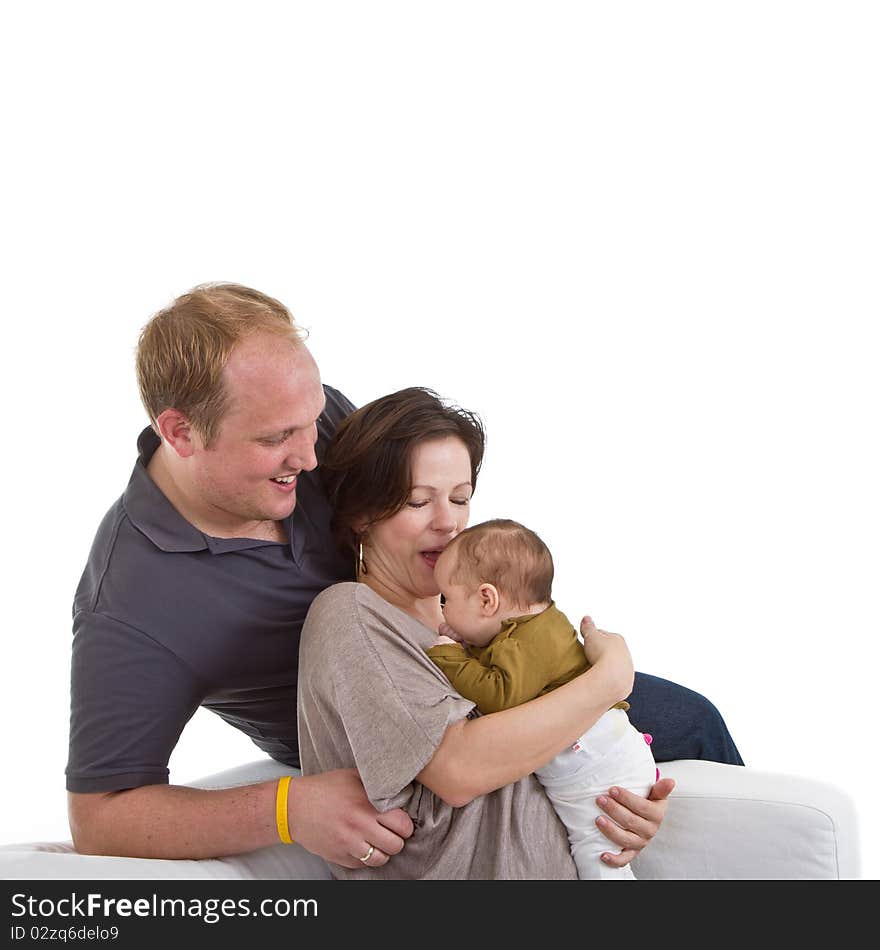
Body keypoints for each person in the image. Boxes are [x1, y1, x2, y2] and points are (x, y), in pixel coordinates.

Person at [67, 283, 682, 872]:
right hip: (396, 750)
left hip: (487, 684)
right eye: (277, 438)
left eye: (311, 419)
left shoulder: (314, 423)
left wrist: (608, 756)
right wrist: (286, 809)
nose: (312, 456)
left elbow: (432, 522)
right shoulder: (130, 602)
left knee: (683, 730)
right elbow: (99, 818)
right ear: (180, 432)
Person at [297, 387, 735, 877]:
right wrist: (609, 681)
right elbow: (459, 771)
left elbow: (544, 751)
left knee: (697, 722)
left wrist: (619, 800)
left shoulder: (472, 621)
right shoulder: (354, 614)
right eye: (418, 502)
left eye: (460, 498)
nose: (449, 523)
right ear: (361, 514)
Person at [427, 518, 657, 879]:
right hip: (601, 755)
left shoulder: (528, 642)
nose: (441, 610)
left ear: (487, 599)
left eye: (447, 600)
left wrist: (451, 657)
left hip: (596, 764)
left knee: (598, 860)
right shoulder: (533, 627)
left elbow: (499, 696)